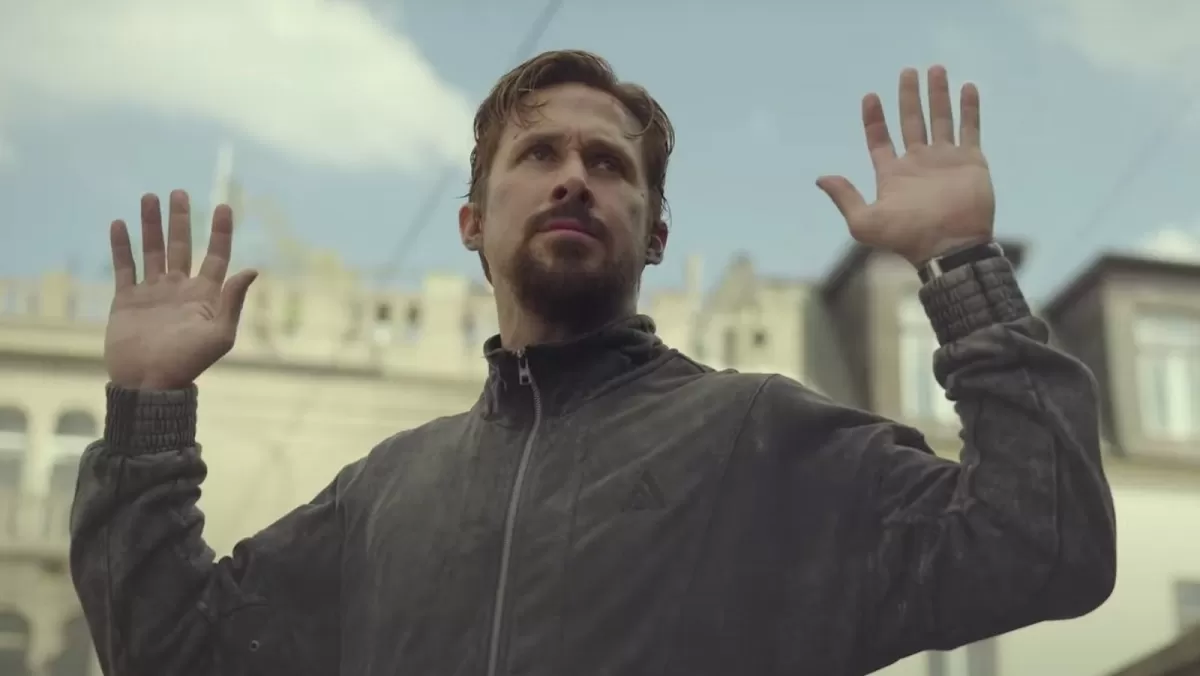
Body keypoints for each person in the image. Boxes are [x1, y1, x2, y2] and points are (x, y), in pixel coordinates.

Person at [71, 50, 1116, 676]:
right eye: (539, 154)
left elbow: (1045, 541)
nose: (574, 177)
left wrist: (959, 264)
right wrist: (149, 409)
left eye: (608, 163)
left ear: (654, 234)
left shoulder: (761, 438)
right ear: (473, 224)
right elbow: (170, 652)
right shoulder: (383, 497)